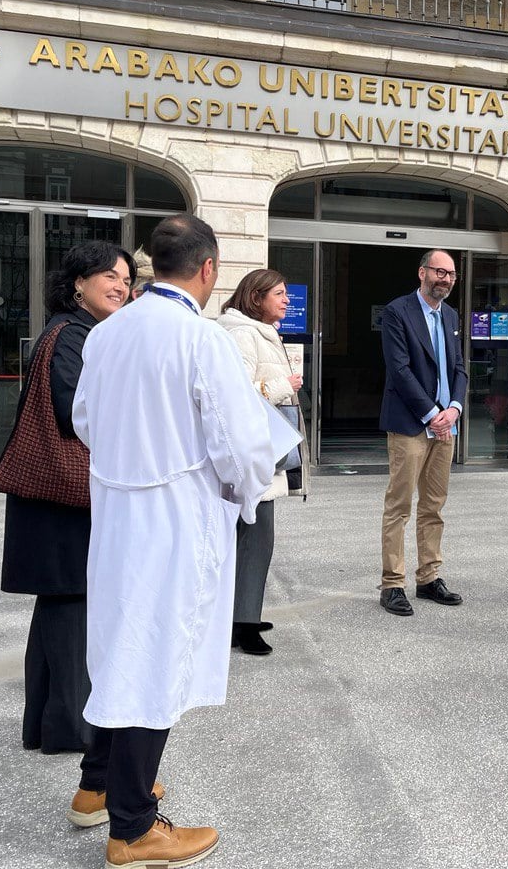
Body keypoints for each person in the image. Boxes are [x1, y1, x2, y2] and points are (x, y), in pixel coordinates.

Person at [69, 214, 280, 868]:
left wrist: (132, 461)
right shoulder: (200, 338)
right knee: (154, 661)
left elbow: (83, 421)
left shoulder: (110, 333)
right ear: (209, 270)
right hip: (174, 521)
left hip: (120, 514)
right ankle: (133, 828)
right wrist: (246, 493)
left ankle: (96, 786)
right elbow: (242, 446)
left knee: (120, 645)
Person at [0, 241, 135, 754]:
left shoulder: (71, 331)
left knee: (58, 608)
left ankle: (47, 726)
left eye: (126, 279)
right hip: (63, 493)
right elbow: (76, 411)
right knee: (73, 606)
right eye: (109, 276)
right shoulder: (73, 335)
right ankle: (75, 730)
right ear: (78, 282)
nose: (120, 286)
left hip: (51, 496)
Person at [217, 268, 309, 656]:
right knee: (254, 538)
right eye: (279, 294)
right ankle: (242, 625)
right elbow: (235, 396)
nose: (287, 301)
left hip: (261, 453)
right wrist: (284, 385)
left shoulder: (260, 332)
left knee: (255, 538)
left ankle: (244, 612)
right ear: (256, 297)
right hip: (252, 456)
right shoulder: (241, 334)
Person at [377, 249, 468, 616]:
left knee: (434, 506)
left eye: (451, 274)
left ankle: (429, 577)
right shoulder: (398, 312)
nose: (445, 279)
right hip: (411, 425)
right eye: (439, 272)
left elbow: (460, 368)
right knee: (399, 506)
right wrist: (432, 414)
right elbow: (399, 371)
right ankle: (392, 583)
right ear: (422, 273)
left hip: (445, 426)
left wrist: (454, 410)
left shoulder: (450, 315)